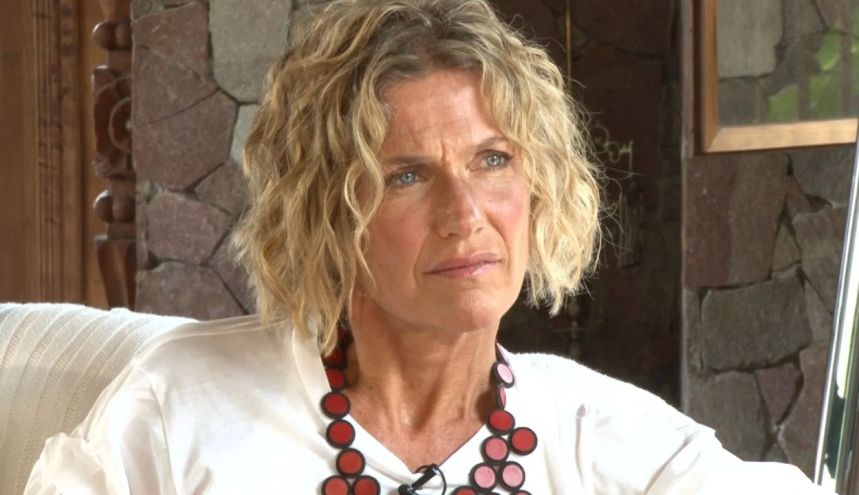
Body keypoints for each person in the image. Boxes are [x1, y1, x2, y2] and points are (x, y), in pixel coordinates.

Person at [24, 0, 834, 493]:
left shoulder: (594, 430)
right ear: (327, 213)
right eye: (406, 175)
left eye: (493, 159)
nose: (465, 213)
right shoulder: (179, 406)